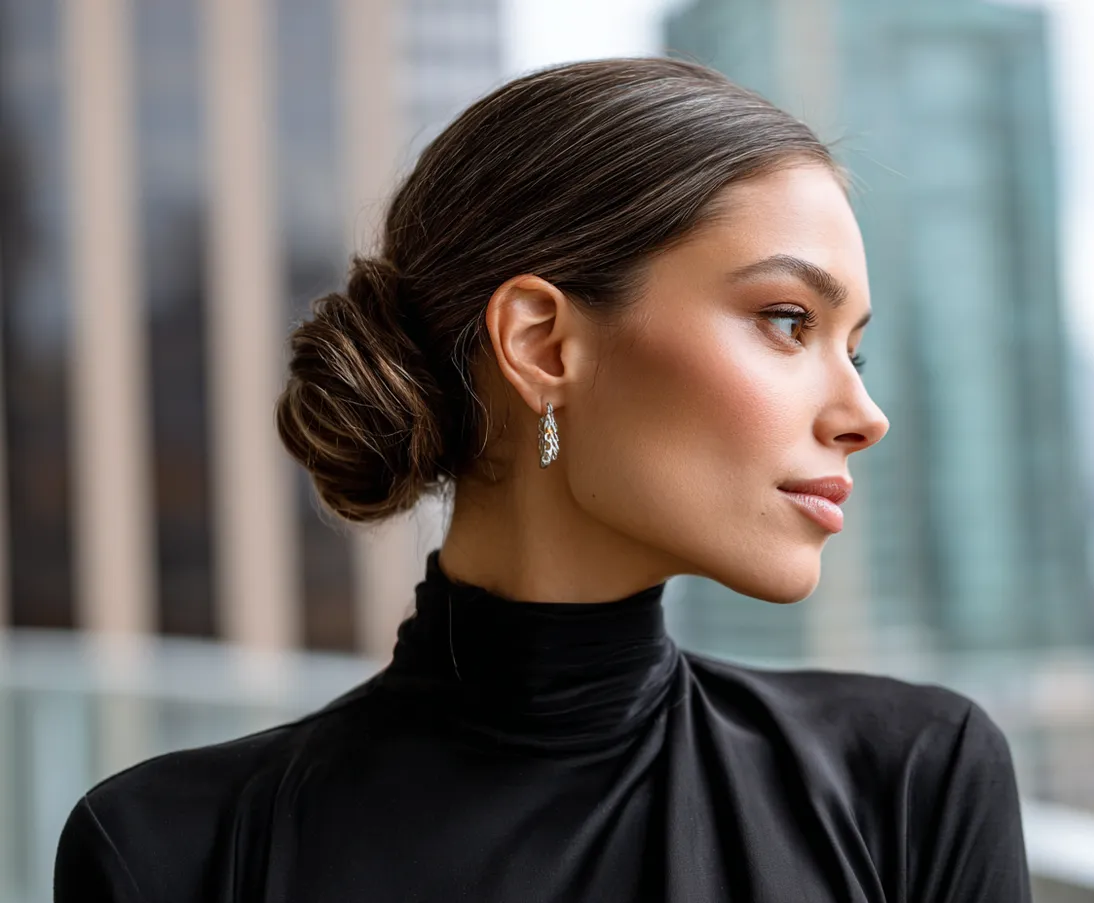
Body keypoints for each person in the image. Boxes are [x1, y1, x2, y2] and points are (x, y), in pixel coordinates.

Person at [54, 57, 1032, 902]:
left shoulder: (912, 781)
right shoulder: (174, 854)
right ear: (543, 343)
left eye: (856, 348)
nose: (865, 413)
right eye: (788, 322)